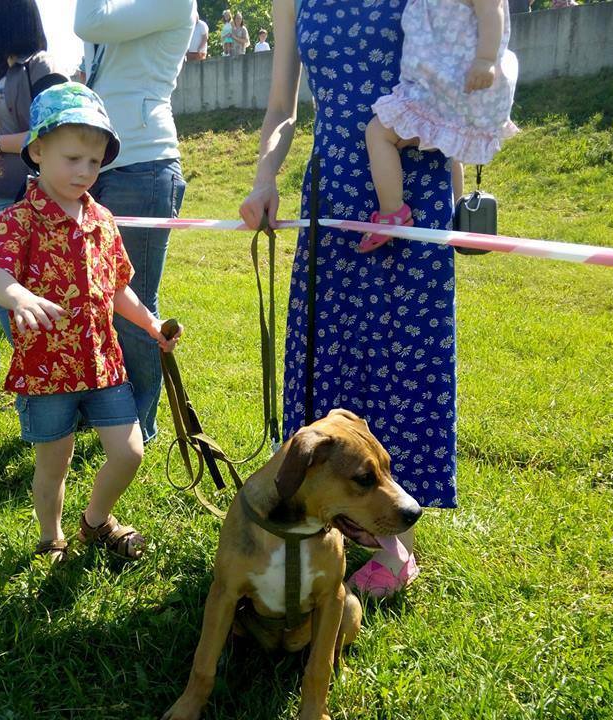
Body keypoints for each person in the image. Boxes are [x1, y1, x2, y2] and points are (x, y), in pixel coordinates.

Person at [239, 0, 459, 596]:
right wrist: (265, 178)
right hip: (333, 182)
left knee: (405, 357)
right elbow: (283, 105)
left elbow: (452, 68)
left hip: (411, 180)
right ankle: (328, 514)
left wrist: (461, 187)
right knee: (329, 354)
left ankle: (397, 542)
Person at [0, 83, 181, 563]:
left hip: (103, 363)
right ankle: (51, 538)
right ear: (38, 151)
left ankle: (94, 521)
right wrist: (19, 295)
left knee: (130, 451)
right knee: (55, 465)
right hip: (48, 370)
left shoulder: (103, 219)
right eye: (72, 159)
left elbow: (117, 288)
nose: (84, 171)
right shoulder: (18, 220)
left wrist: (150, 325)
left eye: (94, 162)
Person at [75, 0, 193, 445]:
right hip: (99, 162)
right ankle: (111, 411)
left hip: (144, 161)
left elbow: (86, 22)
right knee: (97, 296)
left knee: (135, 302)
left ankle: (138, 425)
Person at [360, 0, 518, 252]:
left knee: (378, 132)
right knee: (448, 148)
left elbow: (492, 8)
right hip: (447, 89)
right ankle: (455, 215)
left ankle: (392, 211)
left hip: (451, 86)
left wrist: (486, 58)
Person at [0, 0, 68, 344]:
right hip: (5, 196)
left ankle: (46, 365)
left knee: (13, 290)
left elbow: (55, 130)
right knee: (4, 290)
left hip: (33, 197)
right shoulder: (8, 73)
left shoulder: (40, 65)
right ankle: (39, 365)